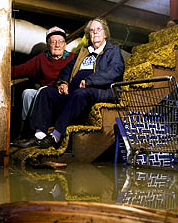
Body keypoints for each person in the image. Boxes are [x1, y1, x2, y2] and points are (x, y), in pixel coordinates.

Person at [17, 18, 124, 149]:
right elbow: (67, 69)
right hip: (74, 90)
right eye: (92, 30)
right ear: (88, 35)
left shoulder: (113, 50)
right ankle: (39, 135)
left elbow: (115, 71)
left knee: (80, 94)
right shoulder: (84, 52)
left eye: (98, 29)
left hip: (99, 90)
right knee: (46, 92)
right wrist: (63, 83)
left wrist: (90, 81)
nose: (95, 32)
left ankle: (56, 135)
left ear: (105, 33)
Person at [11, 26, 75, 126]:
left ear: (65, 45)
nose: (57, 45)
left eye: (60, 41)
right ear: (48, 45)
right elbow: (19, 70)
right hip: (44, 96)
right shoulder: (41, 58)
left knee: (43, 90)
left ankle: (40, 127)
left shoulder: (72, 58)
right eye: (53, 42)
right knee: (27, 93)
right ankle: (28, 128)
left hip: (63, 95)